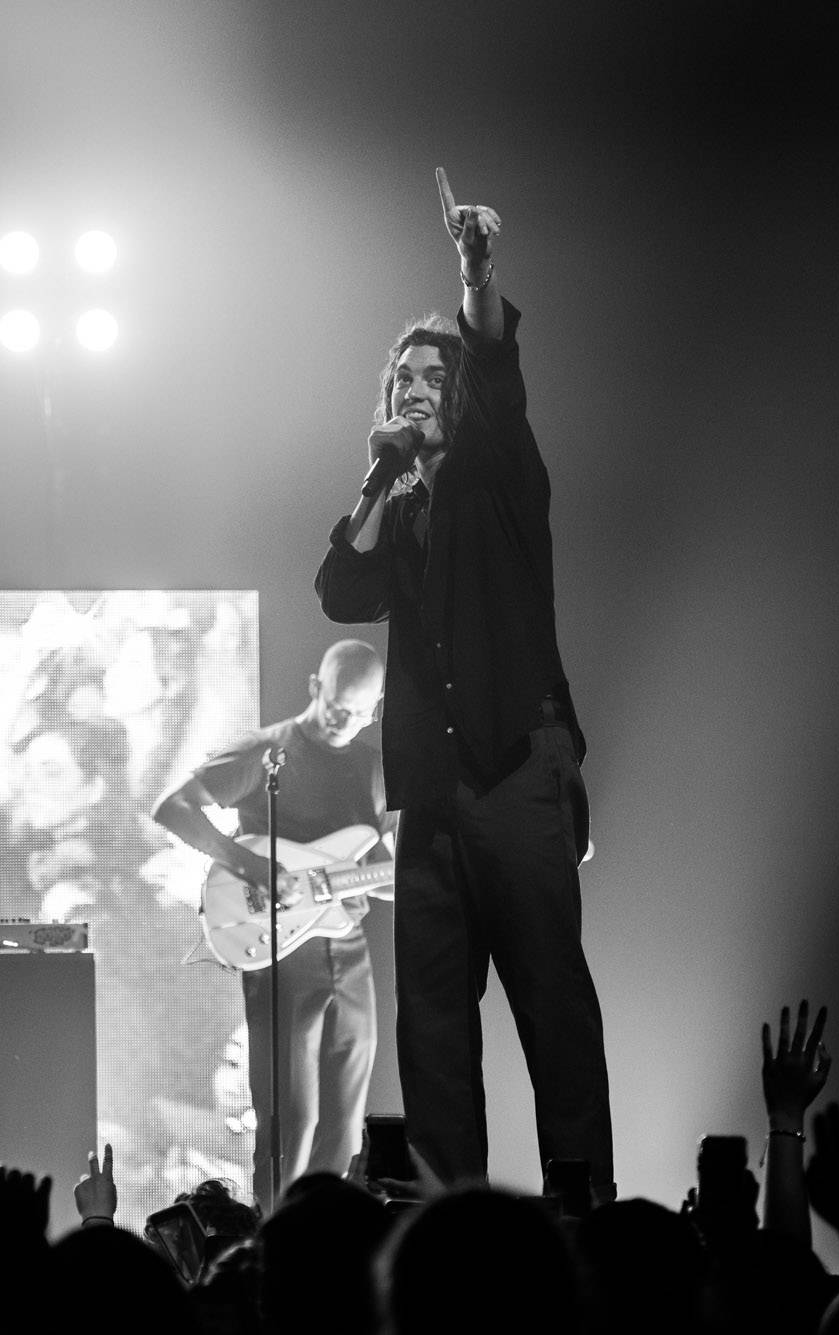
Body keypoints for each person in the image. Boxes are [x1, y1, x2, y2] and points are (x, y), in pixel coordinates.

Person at [314, 167, 613, 1198]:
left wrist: (473, 274)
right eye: (396, 379)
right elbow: (338, 592)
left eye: (426, 376)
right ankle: (449, 1234)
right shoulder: (396, 509)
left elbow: (493, 362)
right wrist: (372, 470)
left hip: (518, 771)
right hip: (432, 800)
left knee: (550, 1012)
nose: (410, 389)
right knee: (434, 1035)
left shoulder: (498, 473)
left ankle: (583, 1222)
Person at [153, 639, 394, 1207]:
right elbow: (173, 806)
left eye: (362, 714)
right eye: (337, 708)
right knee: (291, 1121)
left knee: (346, 1121)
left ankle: (327, 1241)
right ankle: (272, 1251)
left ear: (378, 708)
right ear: (316, 687)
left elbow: (378, 866)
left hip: (349, 945)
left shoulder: (376, 767)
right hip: (281, 949)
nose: (346, 723)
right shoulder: (267, 751)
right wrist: (249, 864)